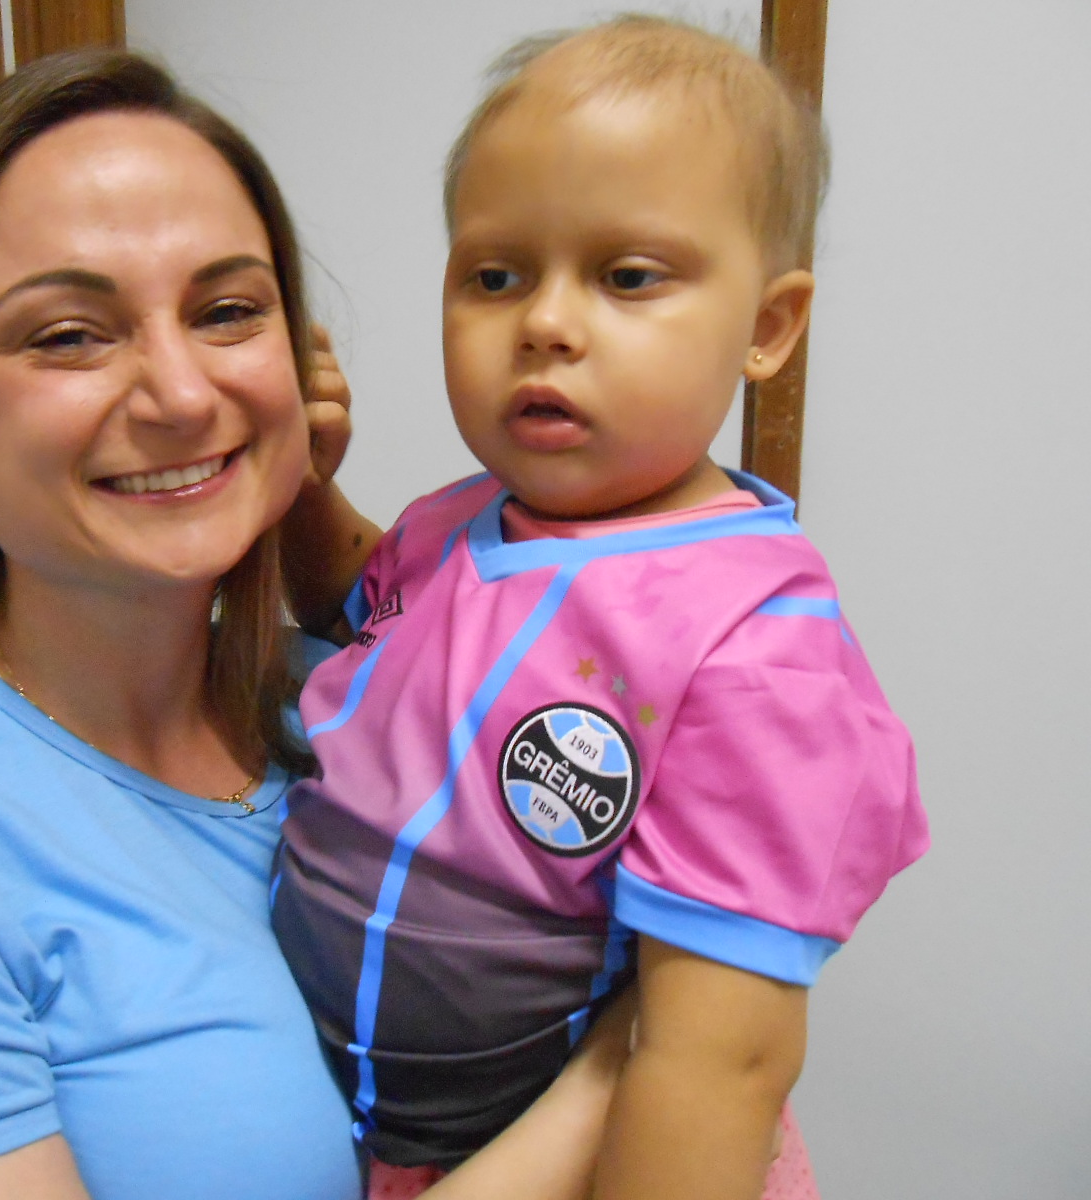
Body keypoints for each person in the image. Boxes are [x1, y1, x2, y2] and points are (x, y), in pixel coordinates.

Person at [0, 50, 636, 1200]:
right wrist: (630, 1059)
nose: (180, 395)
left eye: (228, 313)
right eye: (69, 335)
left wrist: (302, 499)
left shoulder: (373, 707)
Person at [272, 16, 930, 1200]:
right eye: (494, 275)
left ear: (767, 327)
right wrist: (300, 489)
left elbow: (712, 1061)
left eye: (627, 277)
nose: (545, 322)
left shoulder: (755, 644)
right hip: (375, 1148)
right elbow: (353, 608)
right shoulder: (454, 520)